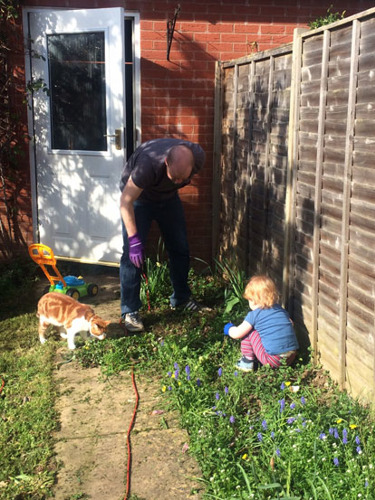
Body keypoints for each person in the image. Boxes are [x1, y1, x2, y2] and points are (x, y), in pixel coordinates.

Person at [119, 138, 206, 332]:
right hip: (138, 199)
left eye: (182, 179)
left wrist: (177, 182)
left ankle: (181, 299)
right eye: (174, 177)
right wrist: (134, 240)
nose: (178, 182)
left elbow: (180, 177)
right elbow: (125, 202)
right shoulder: (147, 165)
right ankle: (130, 311)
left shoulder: (198, 156)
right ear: (166, 162)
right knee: (130, 257)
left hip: (168, 199)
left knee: (180, 247)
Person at [223, 275, 299, 371]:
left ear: (254, 301)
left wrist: (229, 328)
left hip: (273, 360)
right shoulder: (280, 310)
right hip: (291, 357)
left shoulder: (254, 315)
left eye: (249, 300)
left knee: (249, 332)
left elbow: (237, 333)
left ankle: (247, 362)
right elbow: (291, 323)